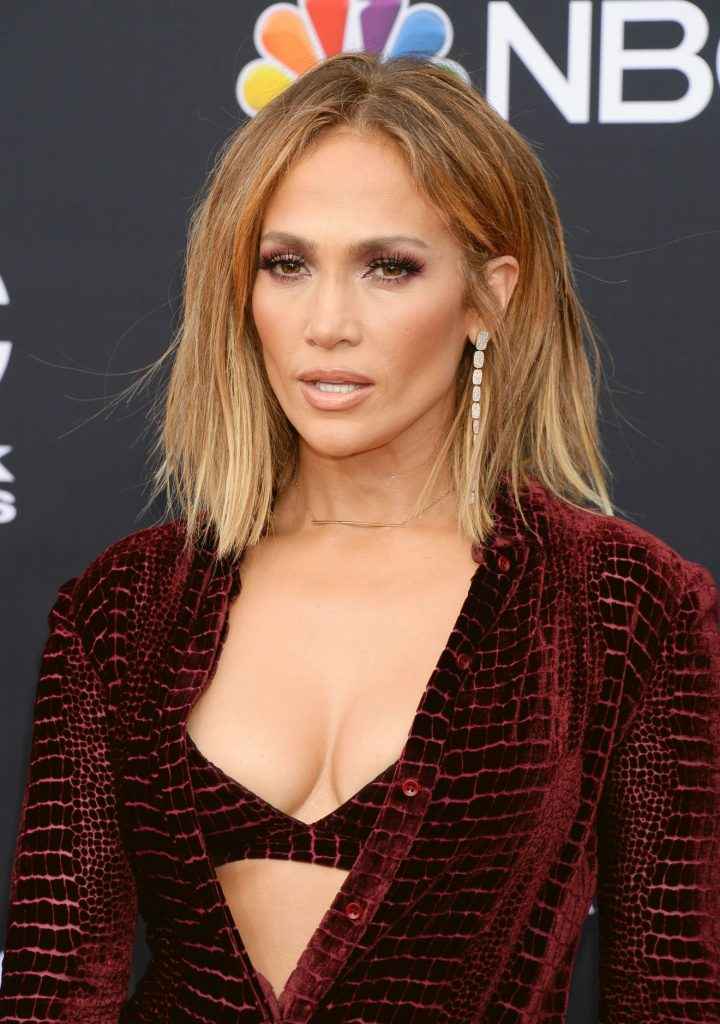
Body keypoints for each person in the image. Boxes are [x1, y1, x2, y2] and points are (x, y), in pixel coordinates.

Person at [1, 51, 718, 1024]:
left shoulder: (624, 604)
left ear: (489, 295)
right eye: (287, 264)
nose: (327, 323)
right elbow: (50, 991)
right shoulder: (124, 605)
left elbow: (672, 990)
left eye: (389, 267)